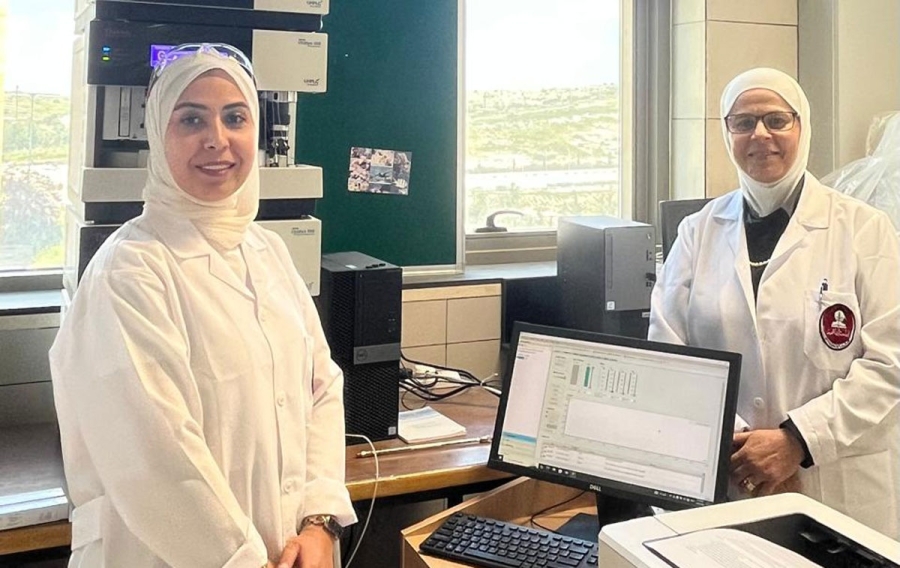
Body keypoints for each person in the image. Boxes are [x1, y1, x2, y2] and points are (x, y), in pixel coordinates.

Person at [50, 44, 355, 567]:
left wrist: (320, 522)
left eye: (235, 117)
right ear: (157, 135)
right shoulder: (129, 271)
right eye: (191, 119)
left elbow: (320, 388)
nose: (217, 139)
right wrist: (244, 561)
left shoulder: (268, 252)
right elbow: (155, 456)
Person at [649, 67, 900, 539]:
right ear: (727, 133)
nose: (760, 135)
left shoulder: (866, 230)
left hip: (837, 487)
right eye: (743, 122)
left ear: (802, 126)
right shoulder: (698, 231)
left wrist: (797, 441)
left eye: (776, 120)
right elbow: (670, 354)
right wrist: (740, 444)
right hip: (731, 477)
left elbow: (891, 362)